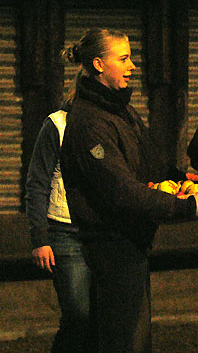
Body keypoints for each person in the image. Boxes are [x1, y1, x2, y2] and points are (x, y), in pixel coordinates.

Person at [59, 28, 198, 353]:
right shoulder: (91, 123)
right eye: (123, 58)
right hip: (112, 249)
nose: (133, 66)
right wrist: (189, 206)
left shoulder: (118, 108)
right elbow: (121, 191)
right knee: (126, 343)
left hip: (130, 246)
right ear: (98, 64)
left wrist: (191, 179)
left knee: (115, 338)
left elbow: (150, 165)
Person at [25, 95, 94, 352]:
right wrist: (40, 239)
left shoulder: (106, 122)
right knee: (78, 314)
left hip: (100, 230)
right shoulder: (56, 125)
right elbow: (37, 182)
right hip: (64, 230)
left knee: (98, 315)